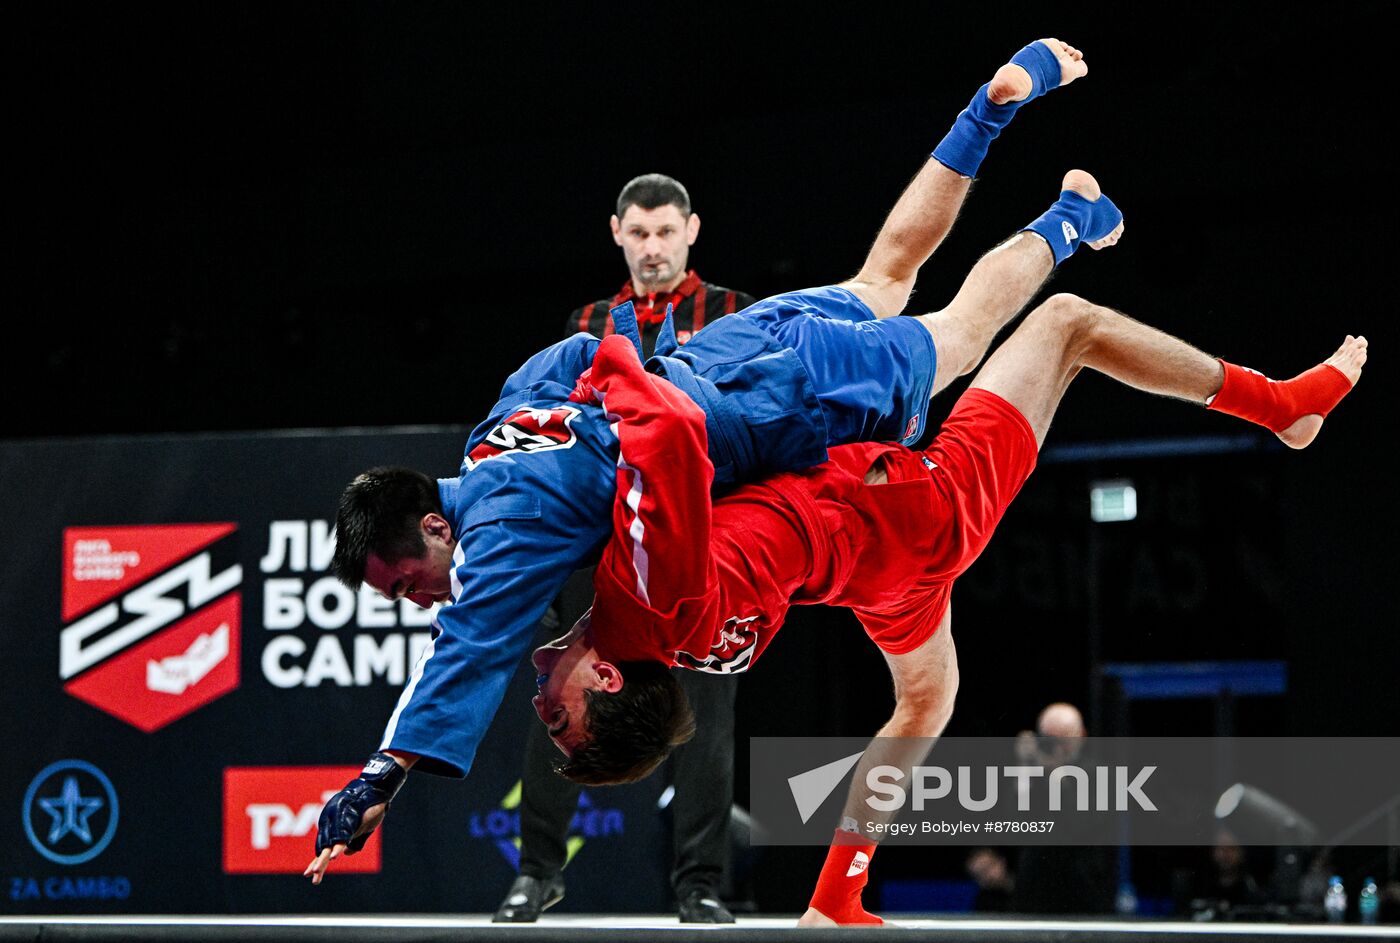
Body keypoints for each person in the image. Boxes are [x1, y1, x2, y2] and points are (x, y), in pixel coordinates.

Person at [307, 36, 1119, 884]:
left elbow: (466, 650)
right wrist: (621, 381)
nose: (422, 600)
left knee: (962, 334)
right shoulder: (491, 438)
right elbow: (571, 358)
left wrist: (381, 775)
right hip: (731, 352)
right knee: (884, 277)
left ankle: (1068, 216)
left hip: (776, 400)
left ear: (437, 526)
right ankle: (985, 113)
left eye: (409, 581)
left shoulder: (501, 536)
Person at [524, 295, 1364, 923]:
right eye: (558, 716)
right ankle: (1280, 406)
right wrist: (611, 364)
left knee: (926, 699)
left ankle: (837, 893)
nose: (537, 696)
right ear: (607, 679)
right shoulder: (654, 597)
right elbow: (665, 444)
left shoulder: (668, 635)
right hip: (915, 510)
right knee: (1067, 322)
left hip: (876, 578)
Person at [497, 174, 755, 924]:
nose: (652, 248)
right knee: (558, 703)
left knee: (707, 718)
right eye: (638, 233)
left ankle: (699, 883)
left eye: (665, 232)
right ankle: (536, 873)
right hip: (598, 547)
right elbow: (554, 431)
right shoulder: (586, 322)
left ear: (691, 230)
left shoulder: (736, 313)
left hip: (701, 546)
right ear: (617, 233)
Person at [1011, 702, 1115, 915]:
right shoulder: (1031, 773)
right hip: (1035, 888)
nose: (1057, 748)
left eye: (1065, 740)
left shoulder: (1099, 774)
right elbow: (1012, 818)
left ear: (1082, 736)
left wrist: (1053, 771)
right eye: (1050, 739)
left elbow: (1081, 825)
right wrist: (1023, 765)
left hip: (1084, 889)